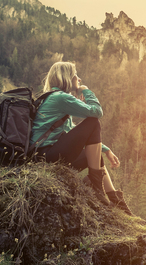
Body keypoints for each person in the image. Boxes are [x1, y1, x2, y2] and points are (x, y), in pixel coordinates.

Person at [30, 61, 132, 215]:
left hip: (46, 155)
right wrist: (86, 91)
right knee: (93, 122)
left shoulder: (54, 97)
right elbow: (97, 112)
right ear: (66, 78)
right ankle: (97, 189)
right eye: (75, 75)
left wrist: (106, 150)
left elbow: (71, 131)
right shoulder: (60, 98)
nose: (79, 79)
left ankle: (117, 202)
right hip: (45, 156)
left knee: (96, 158)